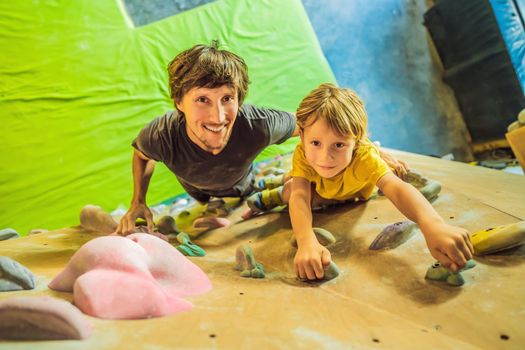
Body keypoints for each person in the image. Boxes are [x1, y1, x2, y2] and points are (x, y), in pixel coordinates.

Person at [115, 42, 408, 235]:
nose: (218, 117)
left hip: (242, 181)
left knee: (253, 190)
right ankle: (221, 200)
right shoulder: (161, 135)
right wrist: (137, 200)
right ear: (179, 102)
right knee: (206, 198)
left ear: (240, 100)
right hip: (195, 187)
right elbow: (142, 154)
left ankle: (265, 187)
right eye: (202, 99)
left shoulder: (259, 124)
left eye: (227, 99)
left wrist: (370, 151)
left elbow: (315, 125)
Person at [245, 83, 473, 280]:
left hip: (342, 192)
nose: (325, 157)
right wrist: (306, 241)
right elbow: (300, 196)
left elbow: (396, 187)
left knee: (299, 183)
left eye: (339, 145)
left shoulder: (365, 156)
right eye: (316, 143)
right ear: (302, 135)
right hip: (319, 189)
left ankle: (280, 181)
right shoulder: (303, 154)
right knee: (290, 189)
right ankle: (267, 194)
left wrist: (433, 224)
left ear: (357, 140)